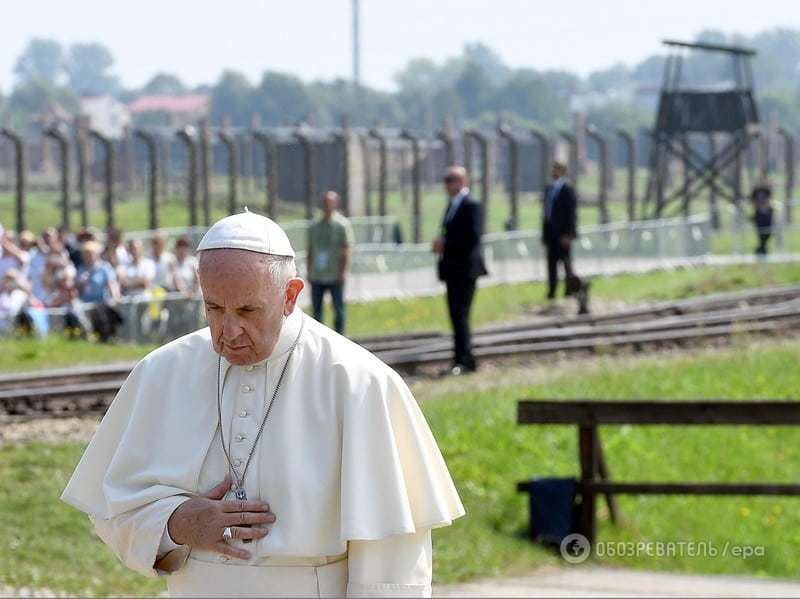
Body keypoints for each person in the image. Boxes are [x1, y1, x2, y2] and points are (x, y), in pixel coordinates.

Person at [62, 210, 464, 598]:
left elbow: (390, 560)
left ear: (290, 295)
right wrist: (174, 524)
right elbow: (114, 509)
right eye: (214, 308)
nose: (228, 331)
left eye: (247, 310)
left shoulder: (359, 383)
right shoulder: (163, 371)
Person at [432, 166, 487, 375]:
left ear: (463, 181)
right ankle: (460, 357)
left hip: (465, 270)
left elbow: (473, 237)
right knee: (455, 316)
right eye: (446, 180)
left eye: (451, 179)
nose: (447, 184)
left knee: (461, 315)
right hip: (452, 270)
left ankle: (465, 360)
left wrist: (446, 244)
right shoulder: (452, 205)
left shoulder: (471, 205)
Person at [306, 191, 354, 334]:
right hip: (318, 274)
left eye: (330, 203)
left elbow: (347, 249)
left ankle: (341, 337)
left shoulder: (342, 225)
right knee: (317, 311)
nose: (327, 206)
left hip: (335, 274)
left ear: (335, 204)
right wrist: (309, 270)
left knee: (338, 309)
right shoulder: (315, 226)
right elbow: (311, 249)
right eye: (325, 203)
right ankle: (318, 339)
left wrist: (343, 272)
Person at [542, 161, 579, 301]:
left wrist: (569, 234)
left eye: (556, 169)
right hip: (551, 234)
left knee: (566, 263)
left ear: (563, 171)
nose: (553, 172)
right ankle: (551, 292)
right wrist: (544, 234)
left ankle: (569, 291)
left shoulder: (568, 190)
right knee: (551, 264)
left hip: (563, 235)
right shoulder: (549, 189)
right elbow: (546, 213)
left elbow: (571, 214)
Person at [751, 179, 774, 256]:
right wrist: (758, 206)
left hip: (767, 214)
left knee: (768, 232)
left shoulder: (767, 190)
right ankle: (762, 249)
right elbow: (752, 200)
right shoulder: (756, 190)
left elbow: (770, 199)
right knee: (760, 233)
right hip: (759, 214)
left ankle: (761, 249)